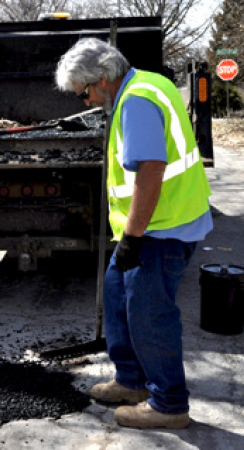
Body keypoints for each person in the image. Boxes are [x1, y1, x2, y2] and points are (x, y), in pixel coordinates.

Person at [55, 38, 212, 429]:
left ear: (104, 78)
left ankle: (169, 404)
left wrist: (133, 238)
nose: (86, 101)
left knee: (150, 315)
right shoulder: (148, 83)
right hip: (155, 225)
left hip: (161, 229)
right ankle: (132, 381)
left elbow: (151, 169)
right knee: (116, 295)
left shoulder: (136, 101)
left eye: (85, 92)